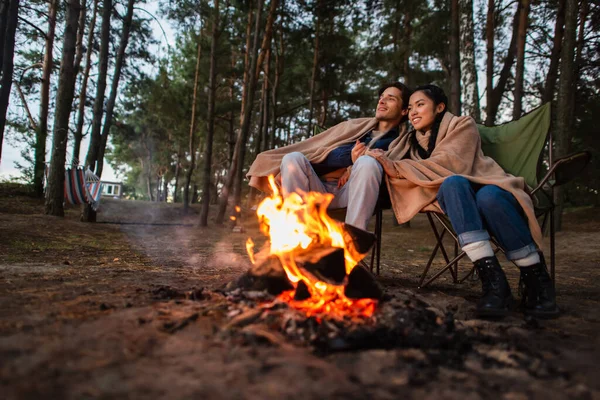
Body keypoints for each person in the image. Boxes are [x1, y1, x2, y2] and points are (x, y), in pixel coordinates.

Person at [368, 84, 559, 319]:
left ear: (439, 107)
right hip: (456, 197)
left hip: (489, 184)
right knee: (452, 185)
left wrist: (398, 168)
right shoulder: (409, 141)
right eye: (410, 108)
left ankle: (536, 278)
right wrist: (361, 159)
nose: (414, 112)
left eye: (420, 105)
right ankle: (494, 283)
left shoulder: (462, 125)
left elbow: (450, 164)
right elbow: (386, 160)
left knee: (487, 198)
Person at [246, 82, 413, 231]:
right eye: (381, 97)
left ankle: (354, 236)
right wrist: (288, 170)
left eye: (391, 99)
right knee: (292, 159)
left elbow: (393, 173)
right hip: (317, 188)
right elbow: (317, 153)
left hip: (351, 193)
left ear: (404, 110)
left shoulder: (400, 142)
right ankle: (299, 233)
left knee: (368, 162)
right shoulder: (353, 127)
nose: (381, 101)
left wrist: (355, 166)